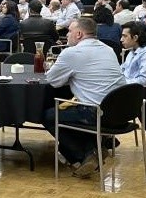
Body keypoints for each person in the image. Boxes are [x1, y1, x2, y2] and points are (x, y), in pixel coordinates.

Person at [43, 18, 127, 178]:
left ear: (79, 34)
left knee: (48, 116)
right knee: (76, 109)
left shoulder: (72, 53)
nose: (67, 35)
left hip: (97, 112)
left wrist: (70, 76)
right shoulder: (108, 49)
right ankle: (94, 148)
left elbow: (52, 81)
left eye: (69, 31)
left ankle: (84, 155)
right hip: (121, 111)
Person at [121, 21, 146, 86]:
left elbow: (144, 80)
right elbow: (123, 68)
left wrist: (122, 84)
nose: (121, 39)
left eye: (125, 36)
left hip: (134, 91)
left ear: (135, 38)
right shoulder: (132, 50)